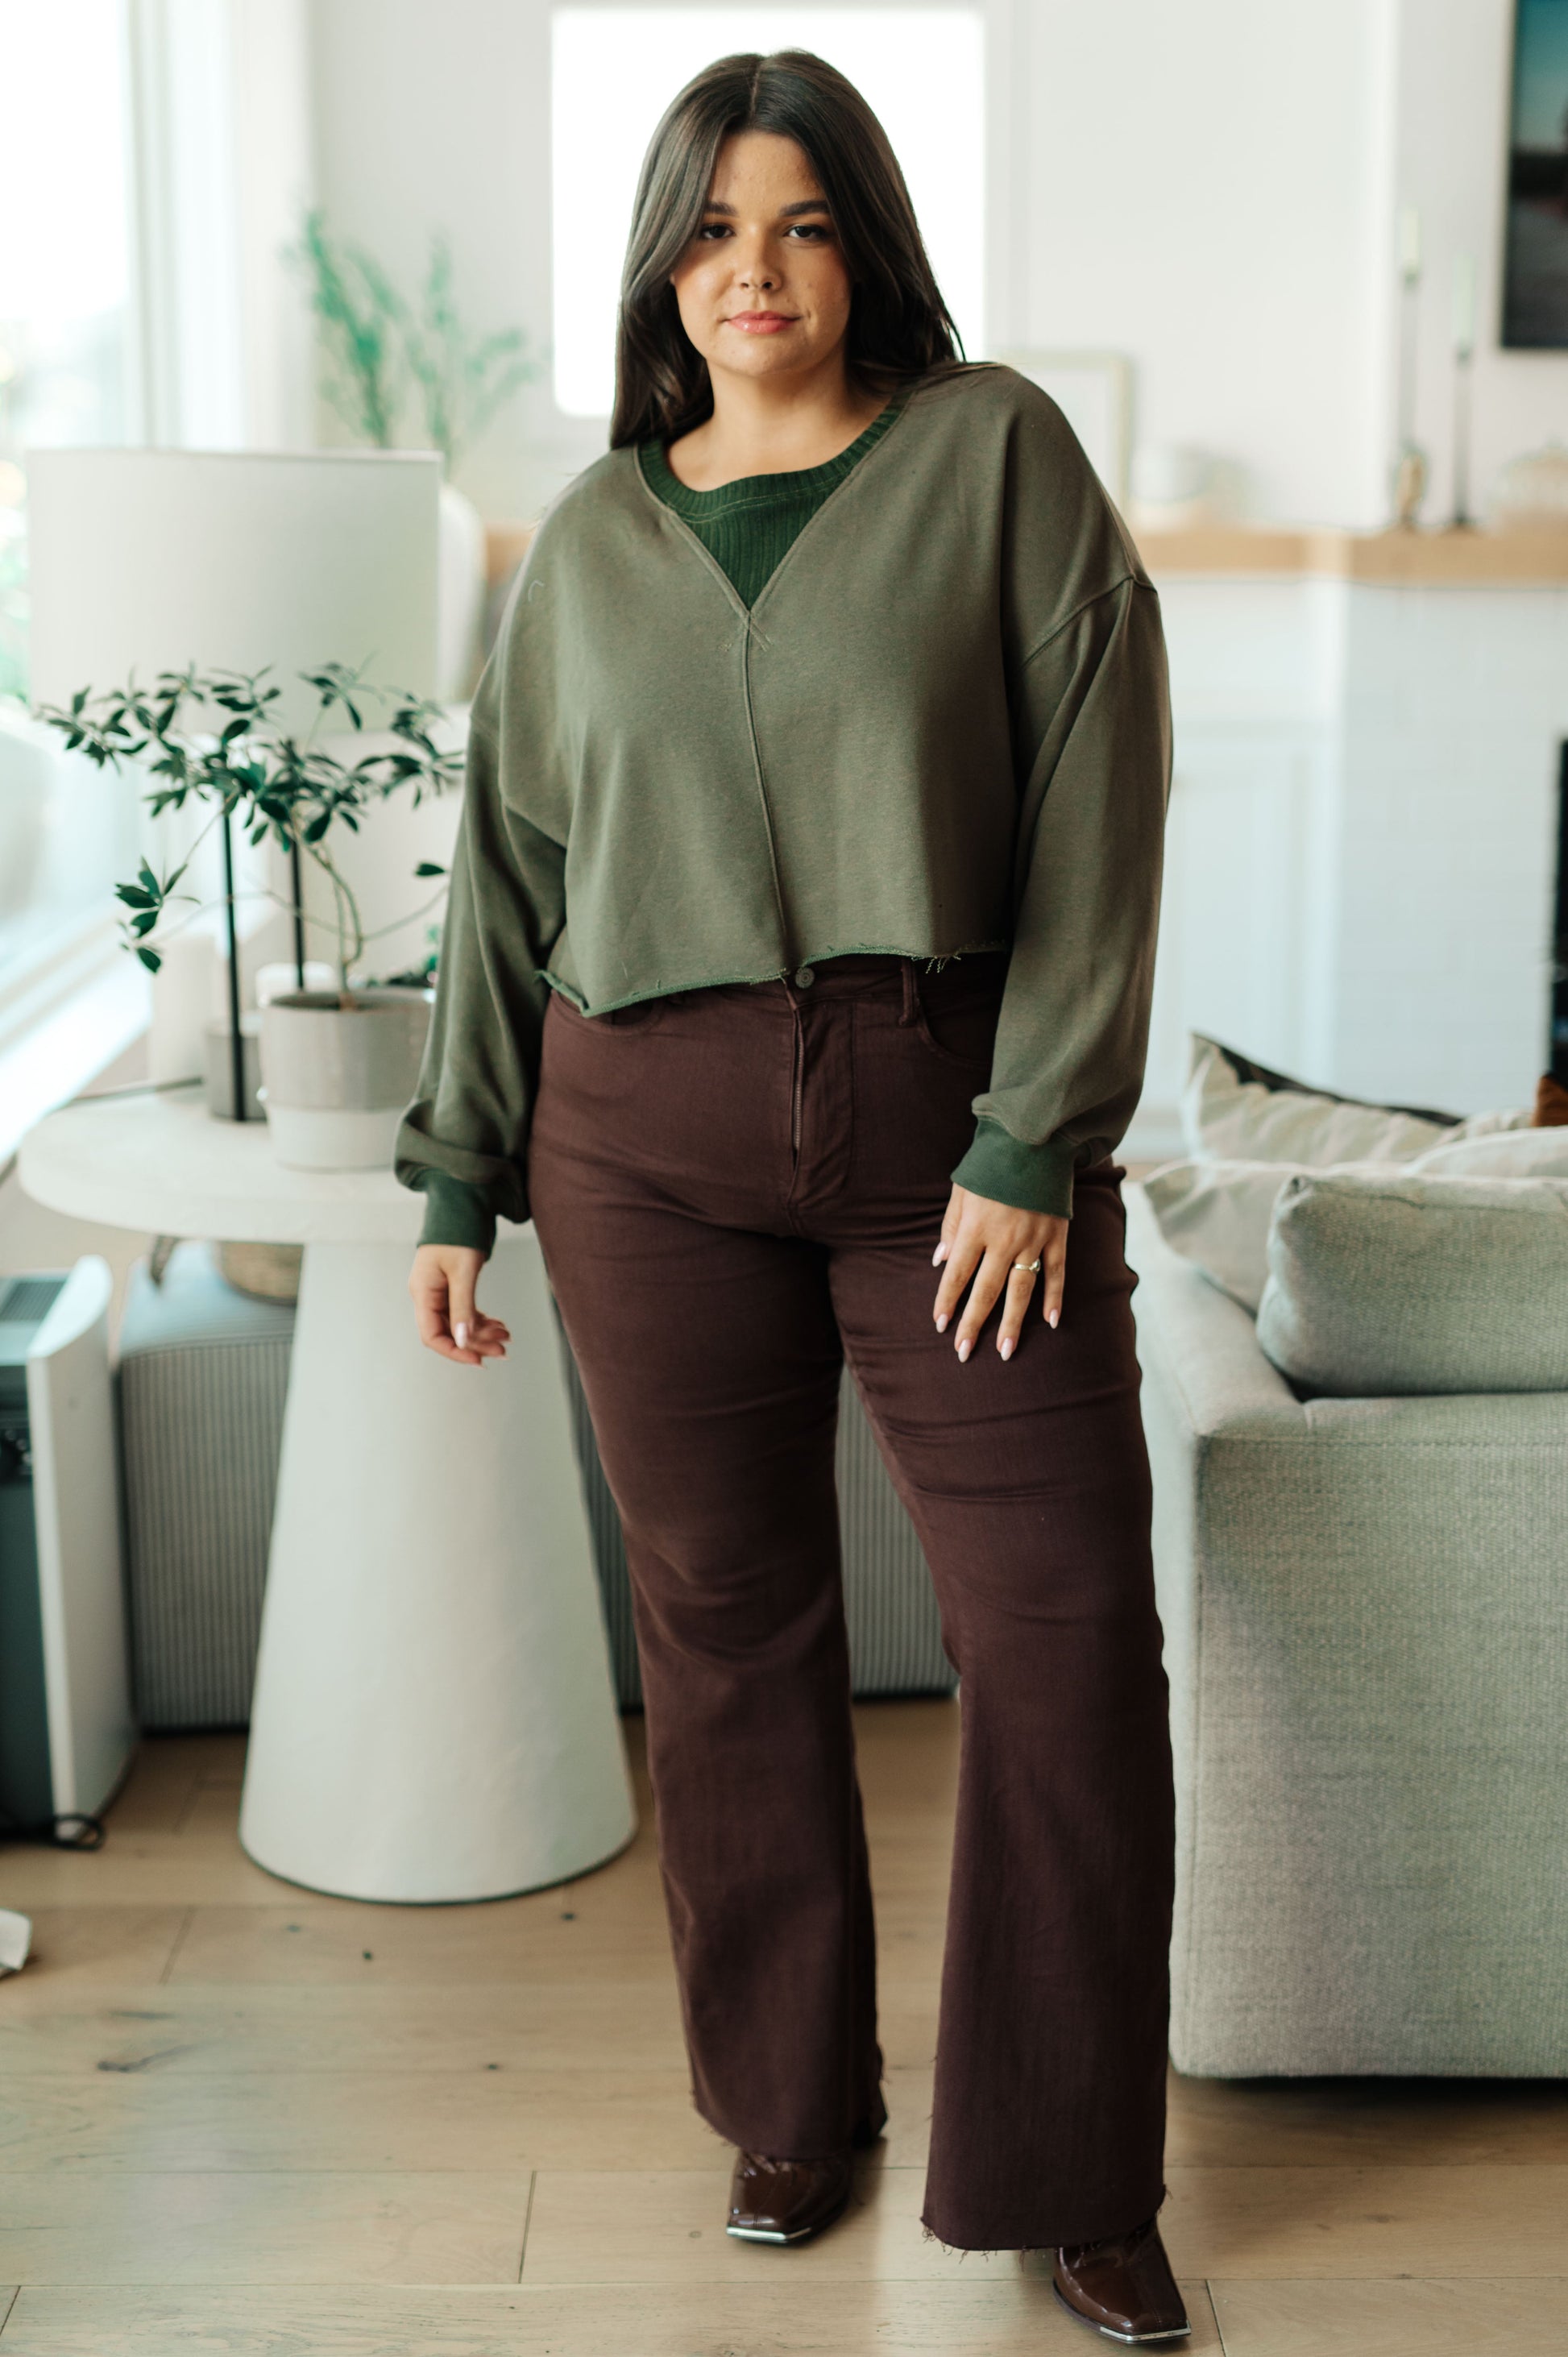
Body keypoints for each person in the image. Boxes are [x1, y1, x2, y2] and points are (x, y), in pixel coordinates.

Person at [396, 48, 1184, 2346]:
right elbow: (507, 876)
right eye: (715, 227)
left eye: (804, 223)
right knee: (723, 1640)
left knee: (1057, 1639)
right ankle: (783, 2111)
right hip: (635, 1142)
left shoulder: (990, 455)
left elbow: (1096, 794)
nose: (755, 271)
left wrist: (1037, 1130)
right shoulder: (595, 530)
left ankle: (1066, 2172)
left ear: (868, 247)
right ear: (661, 259)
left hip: (949, 1140)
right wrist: (456, 1168)